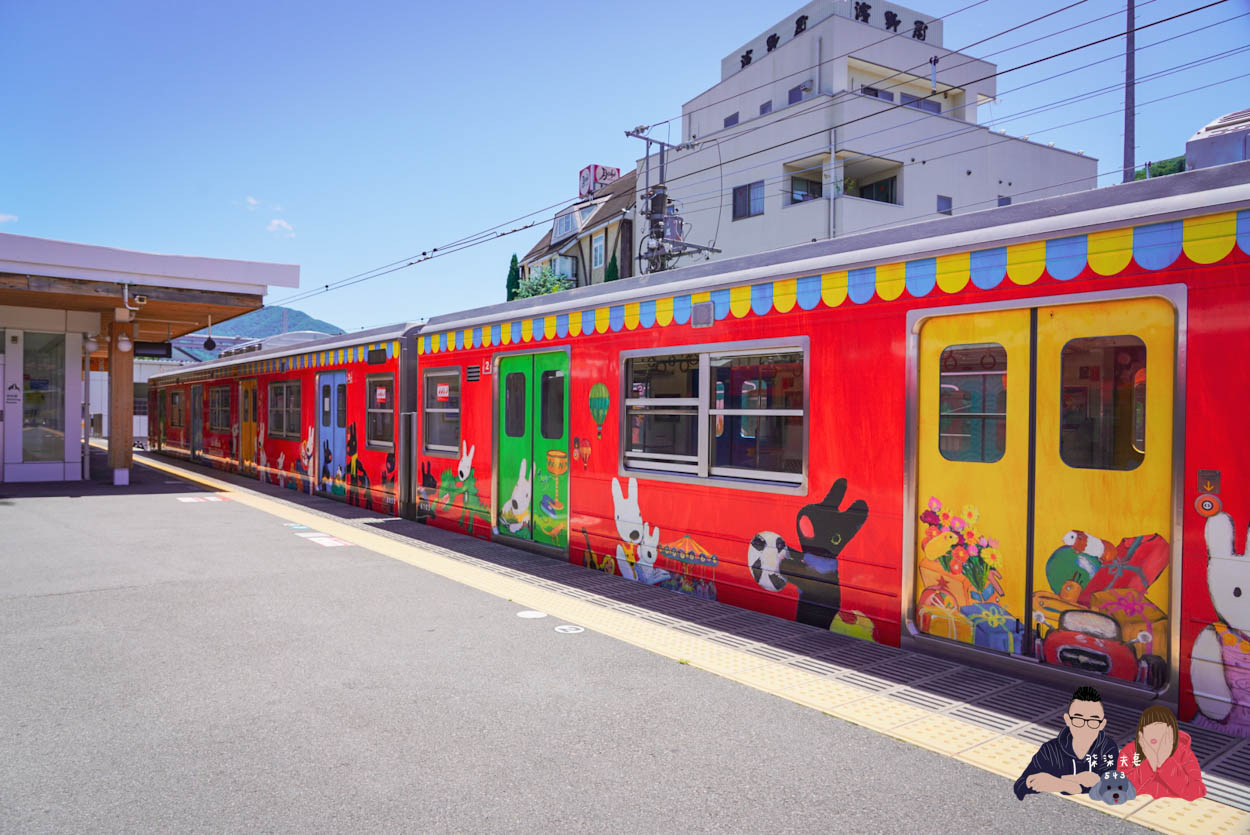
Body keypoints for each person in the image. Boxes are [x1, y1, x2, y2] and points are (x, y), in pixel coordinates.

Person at [1014, 685, 1120, 800]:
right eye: (1078, 720)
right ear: (1067, 720)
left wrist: (1060, 782)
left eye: (1093, 721)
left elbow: (1113, 788)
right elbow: (1020, 786)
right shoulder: (1051, 750)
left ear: (1102, 724)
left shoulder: (1108, 748)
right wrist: (1070, 783)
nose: (1085, 727)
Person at [1117, 705, 1206, 801]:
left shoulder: (1184, 753)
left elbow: (1196, 792)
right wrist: (1150, 763)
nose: (1155, 735)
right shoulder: (1129, 752)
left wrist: (1165, 762)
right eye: (1149, 730)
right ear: (1141, 734)